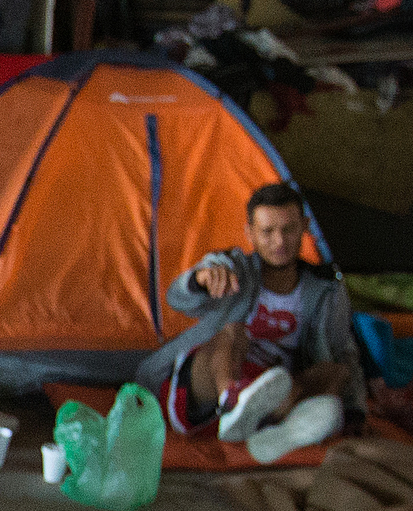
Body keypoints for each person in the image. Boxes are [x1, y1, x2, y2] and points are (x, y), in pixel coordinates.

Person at [142, 180, 367, 464]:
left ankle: (274, 431)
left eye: (288, 229)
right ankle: (233, 401)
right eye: (268, 232)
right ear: (250, 233)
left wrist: (355, 409)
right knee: (233, 331)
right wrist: (202, 279)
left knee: (335, 372)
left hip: (273, 389)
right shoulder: (234, 267)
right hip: (209, 388)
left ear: (305, 228)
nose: (279, 242)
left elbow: (344, 350)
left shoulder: (324, 290)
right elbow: (177, 298)